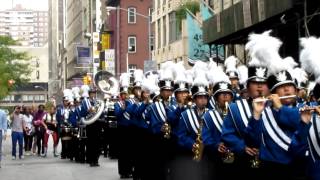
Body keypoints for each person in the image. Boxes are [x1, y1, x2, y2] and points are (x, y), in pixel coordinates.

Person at [115, 73, 133, 179]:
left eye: (126, 94)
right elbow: (117, 115)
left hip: (129, 129)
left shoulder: (131, 103)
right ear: (120, 95)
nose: (125, 96)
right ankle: (122, 172)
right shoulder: (118, 104)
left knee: (129, 151)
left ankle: (129, 170)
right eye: (123, 94)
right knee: (122, 152)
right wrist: (123, 108)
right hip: (121, 129)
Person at [82, 87, 101, 167]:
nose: (93, 95)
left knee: (97, 143)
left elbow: (100, 111)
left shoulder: (97, 102)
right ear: (89, 94)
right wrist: (89, 110)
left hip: (97, 123)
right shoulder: (85, 102)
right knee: (90, 143)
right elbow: (84, 112)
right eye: (92, 93)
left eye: (94, 93)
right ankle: (91, 160)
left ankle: (96, 160)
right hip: (90, 123)